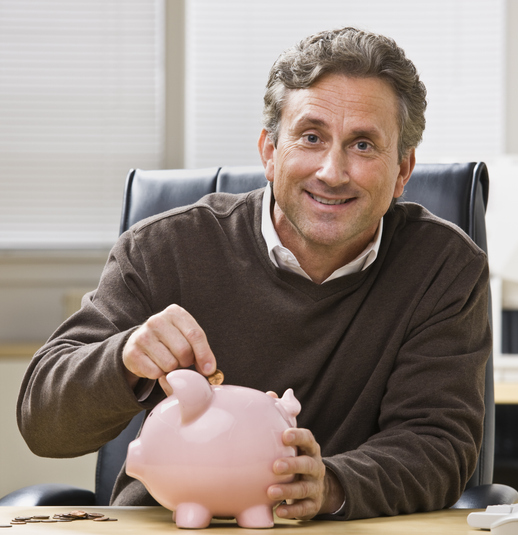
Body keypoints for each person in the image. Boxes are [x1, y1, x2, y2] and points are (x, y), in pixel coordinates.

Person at [17, 27, 491, 521]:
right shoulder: (165, 248)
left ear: (403, 170)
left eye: (364, 145)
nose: (332, 171)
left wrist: (331, 484)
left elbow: (436, 444)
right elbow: (41, 422)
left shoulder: (444, 267)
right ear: (269, 151)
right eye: (311, 137)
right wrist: (123, 359)